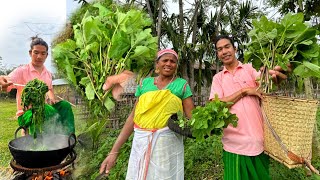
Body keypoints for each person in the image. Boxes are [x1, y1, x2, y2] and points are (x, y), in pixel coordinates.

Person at [99, 49, 194, 179]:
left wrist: (208, 125)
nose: (168, 64)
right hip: (141, 141)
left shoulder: (182, 85)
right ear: (157, 64)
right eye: (165, 60)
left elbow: (192, 117)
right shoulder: (145, 83)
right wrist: (114, 151)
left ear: (176, 66)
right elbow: (133, 117)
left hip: (167, 144)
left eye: (173, 61)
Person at [209, 35, 289, 180]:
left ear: (235, 49)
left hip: (259, 141)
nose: (224, 51)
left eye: (227, 47)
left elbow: (267, 83)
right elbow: (216, 104)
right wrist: (244, 91)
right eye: (219, 49)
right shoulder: (218, 78)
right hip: (234, 145)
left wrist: (276, 74)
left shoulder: (250, 69)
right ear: (217, 54)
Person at [2, 36, 75, 136]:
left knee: (64, 106)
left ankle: (67, 137)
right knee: (43, 110)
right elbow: (7, 80)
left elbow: (49, 89)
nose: (39, 56)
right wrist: (2, 81)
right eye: (36, 52)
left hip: (44, 110)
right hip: (26, 113)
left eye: (43, 53)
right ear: (30, 53)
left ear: (46, 55)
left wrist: (52, 98)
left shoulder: (48, 74)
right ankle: (36, 140)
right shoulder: (21, 71)